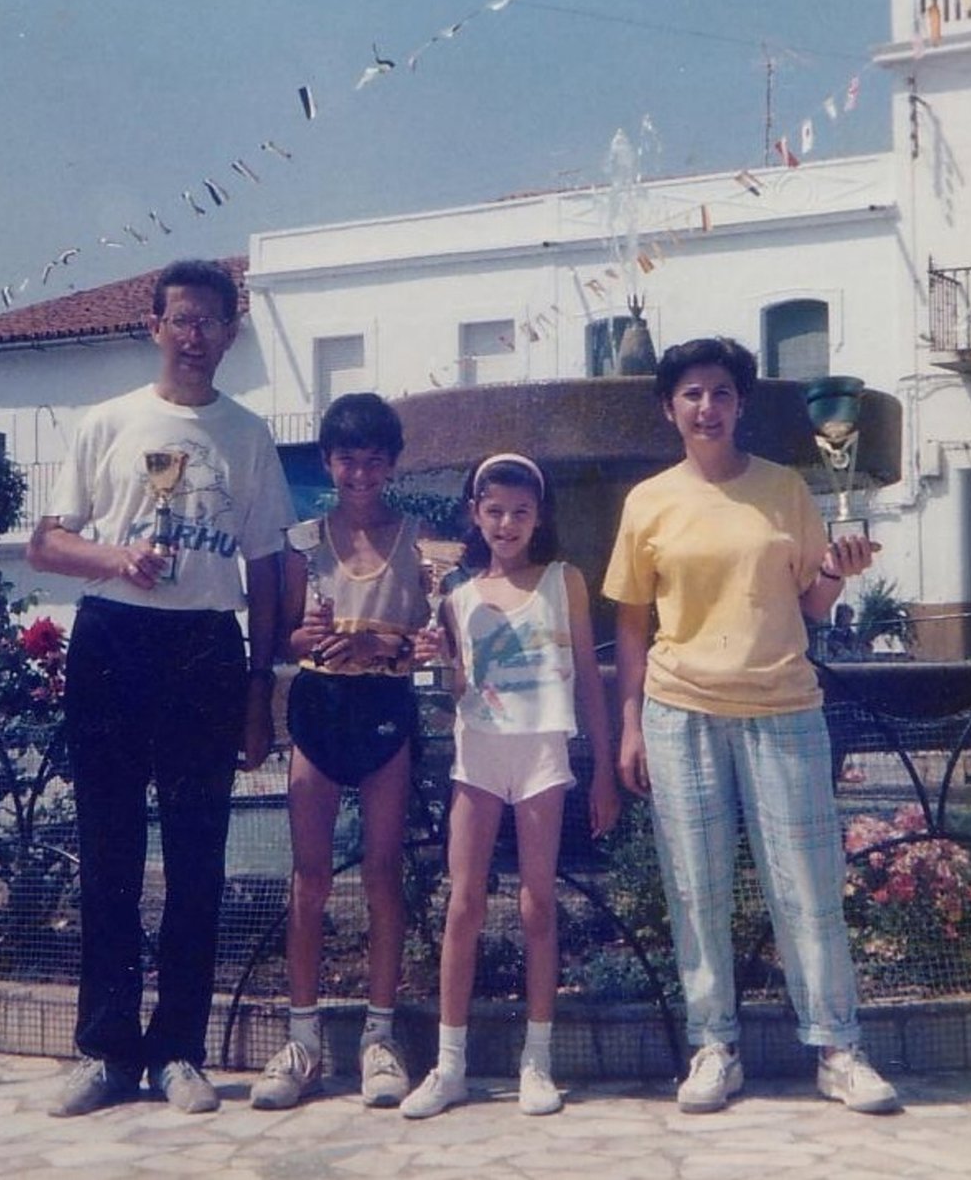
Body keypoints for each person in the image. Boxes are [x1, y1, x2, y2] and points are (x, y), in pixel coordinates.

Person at [602, 336, 898, 1115]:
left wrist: (836, 569)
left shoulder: (785, 488)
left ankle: (837, 1047)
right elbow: (630, 625)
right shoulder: (648, 501)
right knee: (695, 889)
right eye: (692, 393)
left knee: (809, 885)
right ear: (669, 407)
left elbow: (813, 603)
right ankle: (714, 1046)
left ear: (741, 404)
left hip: (784, 708)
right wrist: (629, 724)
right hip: (680, 711)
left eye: (722, 392)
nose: (708, 407)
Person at [29, 259, 295, 1118]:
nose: (194, 335)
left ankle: (179, 1048)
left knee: (196, 854)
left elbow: (267, 567)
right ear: (154, 326)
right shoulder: (107, 421)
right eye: (180, 319)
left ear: (230, 332)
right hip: (113, 639)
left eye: (210, 321)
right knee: (107, 849)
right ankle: (105, 1049)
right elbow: (45, 543)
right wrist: (117, 557)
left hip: (206, 648)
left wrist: (261, 687)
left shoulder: (248, 434)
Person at [400, 453, 621, 1119]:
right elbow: (460, 686)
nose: (506, 523)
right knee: (463, 904)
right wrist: (438, 660)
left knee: (537, 905)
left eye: (520, 511)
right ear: (475, 514)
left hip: (542, 758)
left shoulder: (563, 580)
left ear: (538, 516)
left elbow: (588, 677)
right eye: (494, 510)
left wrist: (603, 769)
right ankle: (451, 1065)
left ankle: (537, 1060)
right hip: (478, 757)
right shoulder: (456, 594)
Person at [250, 393, 429, 1111]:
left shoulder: (417, 540)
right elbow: (284, 635)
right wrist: (318, 638)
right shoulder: (304, 541)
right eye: (347, 459)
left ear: (392, 463)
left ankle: (379, 1038)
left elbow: (432, 641)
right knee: (310, 877)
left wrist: (378, 642)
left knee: (383, 873)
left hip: (385, 711)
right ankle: (302, 1040)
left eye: (374, 459)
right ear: (327, 462)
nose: (360, 472)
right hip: (318, 712)